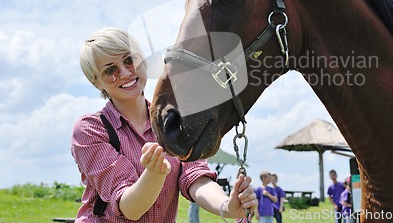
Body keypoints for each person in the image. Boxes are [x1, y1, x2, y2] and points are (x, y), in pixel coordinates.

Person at [71, 27, 257, 222]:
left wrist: (226, 206)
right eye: (110, 70)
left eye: (130, 60)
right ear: (96, 83)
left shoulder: (173, 119)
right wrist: (154, 174)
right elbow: (130, 208)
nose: (125, 72)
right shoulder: (90, 129)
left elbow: (195, 177)